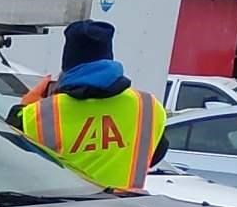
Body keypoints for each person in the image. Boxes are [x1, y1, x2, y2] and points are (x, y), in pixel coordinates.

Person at [14, 19, 165, 190]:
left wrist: (22, 108)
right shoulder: (148, 106)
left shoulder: (39, 113)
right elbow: (154, 155)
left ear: (67, 65)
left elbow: (2, 161)